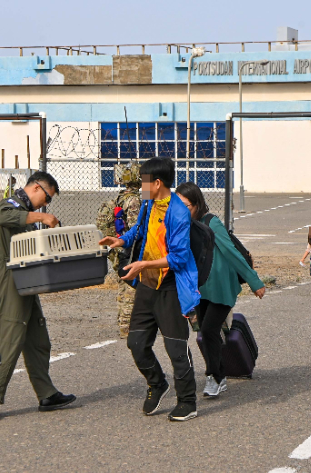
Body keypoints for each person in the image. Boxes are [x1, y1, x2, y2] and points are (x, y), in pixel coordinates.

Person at [99, 157, 201, 422]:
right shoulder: (149, 202)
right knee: (136, 343)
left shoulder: (178, 212)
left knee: (176, 348)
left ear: (157, 183)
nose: (140, 186)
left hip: (170, 287)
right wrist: (120, 240)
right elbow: (141, 230)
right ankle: (158, 384)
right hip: (147, 284)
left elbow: (179, 258)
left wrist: (143, 263)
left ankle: (188, 401)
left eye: (144, 181)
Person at [0, 172, 75, 422]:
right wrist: (42, 216)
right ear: (35, 188)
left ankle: (47, 394)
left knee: (38, 339)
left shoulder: (28, 214)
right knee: (9, 338)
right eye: (46, 198)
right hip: (10, 280)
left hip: (27, 280)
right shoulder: (10, 205)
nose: (46, 205)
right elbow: (2, 216)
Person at [175, 182, 266, 398]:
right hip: (201, 289)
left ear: (197, 204)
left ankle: (214, 377)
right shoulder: (181, 225)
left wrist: (255, 282)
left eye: (185, 206)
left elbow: (232, 252)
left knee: (208, 330)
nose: (181, 210)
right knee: (205, 332)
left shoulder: (211, 223)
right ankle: (219, 375)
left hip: (221, 288)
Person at [95, 162, 142, 339]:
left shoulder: (119, 198)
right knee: (129, 289)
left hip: (118, 250)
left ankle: (125, 324)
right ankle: (126, 327)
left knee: (125, 288)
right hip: (128, 250)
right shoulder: (134, 201)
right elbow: (134, 228)